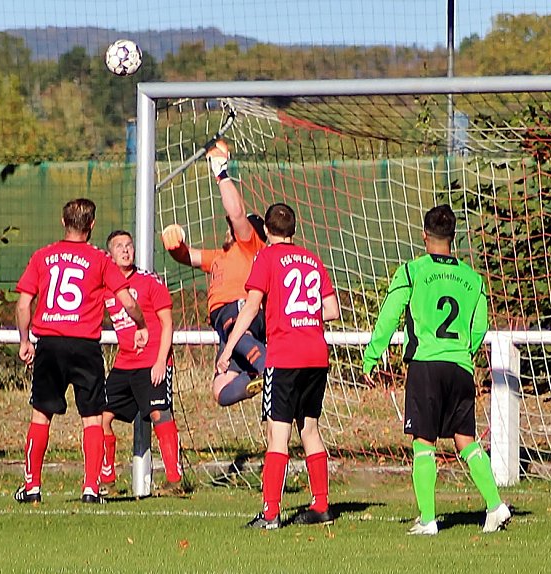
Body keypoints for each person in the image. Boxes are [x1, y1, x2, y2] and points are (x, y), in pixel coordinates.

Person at [362, 204, 511, 536]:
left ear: (425, 236)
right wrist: (463, 353)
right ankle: (495, 506)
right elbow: (479, 326)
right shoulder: (472, 278)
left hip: (427, 365)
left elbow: (389, 316)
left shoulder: (413, 272)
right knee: (465, 440)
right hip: (460, 365)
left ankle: (428, 520)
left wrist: (372, 356)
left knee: (423, 442)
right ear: (453, 238)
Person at [13, 198, 149, 504]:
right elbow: (127, 301)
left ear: (63, 223)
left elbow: (23, 304)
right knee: (91, 417)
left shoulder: (43, 256)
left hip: (50, 343)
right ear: (92, 225)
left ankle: (32, 486)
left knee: (41, 415)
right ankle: (90, 488)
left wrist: (25, 340)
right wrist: (141, 325)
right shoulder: (100, 260)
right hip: (85, 346)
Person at [217, 203, 340, 530]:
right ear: (294, 230)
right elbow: (332, 309)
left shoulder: (266, 258)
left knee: (277, 433)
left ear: (267, 232)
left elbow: (251, 307)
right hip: (316, 353)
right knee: (310, 429)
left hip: (285, 356)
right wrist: (302, 316)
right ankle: (322, 506)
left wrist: (228, 348)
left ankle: (270, 513)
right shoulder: (312, 259)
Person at [161, 139, 268, 407]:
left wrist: (220, 172)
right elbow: (188, 256)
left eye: (232, 226)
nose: (229, 227)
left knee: (241, 339)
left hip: (239, 314)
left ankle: (273, 370)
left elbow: (237, 213)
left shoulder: (250, 245)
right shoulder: (219, 256)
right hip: (224, 324)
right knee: (221, 389)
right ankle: (258, 375)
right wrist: (174, 245)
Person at [100, 230, 184, 497]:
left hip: (152, 361)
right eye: (119, 247)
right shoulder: (105, 286)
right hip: (124, 362)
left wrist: (161, 361)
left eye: (129, 245)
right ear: (110, 254)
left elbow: (167, 322)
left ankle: (174, 480)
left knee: (160, 414)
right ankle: (107, 480)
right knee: (101, 417)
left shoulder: (150, 281)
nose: (125, 250)